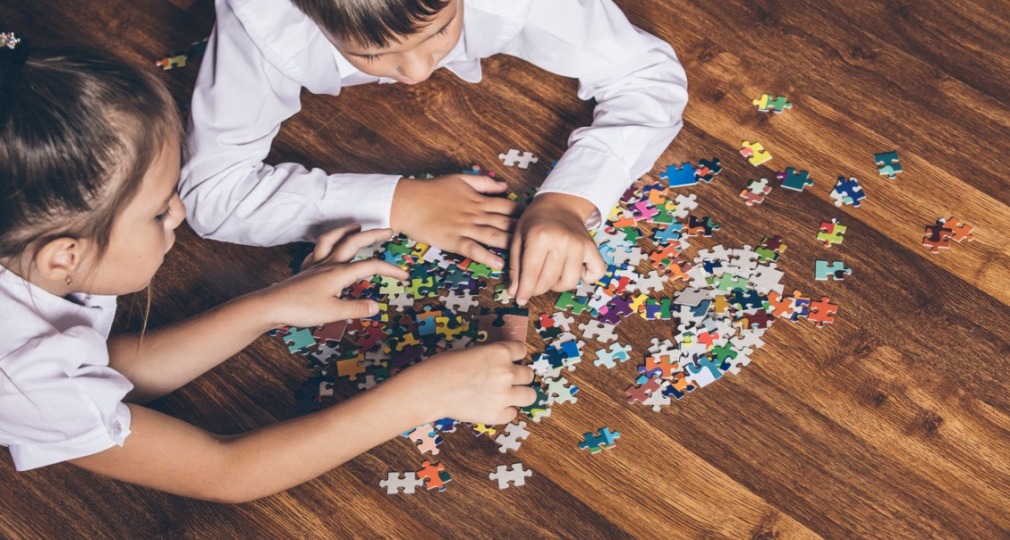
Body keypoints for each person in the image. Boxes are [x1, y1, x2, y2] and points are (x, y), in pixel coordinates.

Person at [0, 40, 536, 503]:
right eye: (159, 209)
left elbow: (95, 373)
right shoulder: (18, 378)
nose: (181, 213)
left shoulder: (31, 256)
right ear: (63, 258)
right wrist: (423, 396)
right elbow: (224, 471)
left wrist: (267, 306)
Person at [181, 0, 688, 307]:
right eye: (372, 54)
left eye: (440, 31)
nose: (417, 72)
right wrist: (398, 203)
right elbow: (212, 194)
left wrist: (569, 200)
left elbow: (645, 73)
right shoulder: (259, 22)